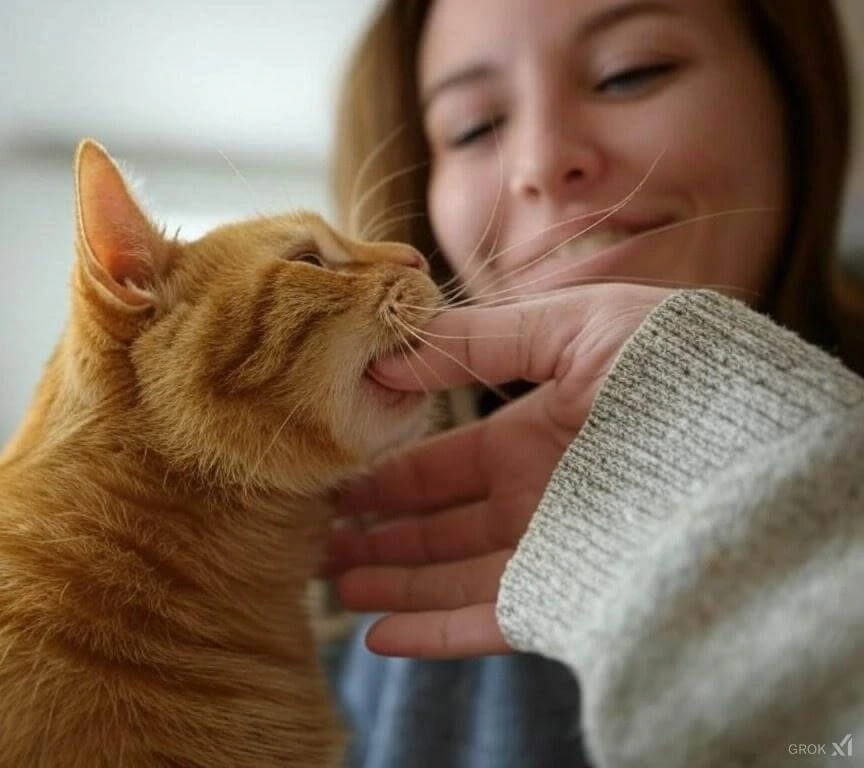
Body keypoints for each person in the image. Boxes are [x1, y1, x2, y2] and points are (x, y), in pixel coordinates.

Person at [324, 1, 864, 766]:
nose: (542, 160)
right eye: (475, 127)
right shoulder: (365, 581)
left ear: (792, 95)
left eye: (630, 73)